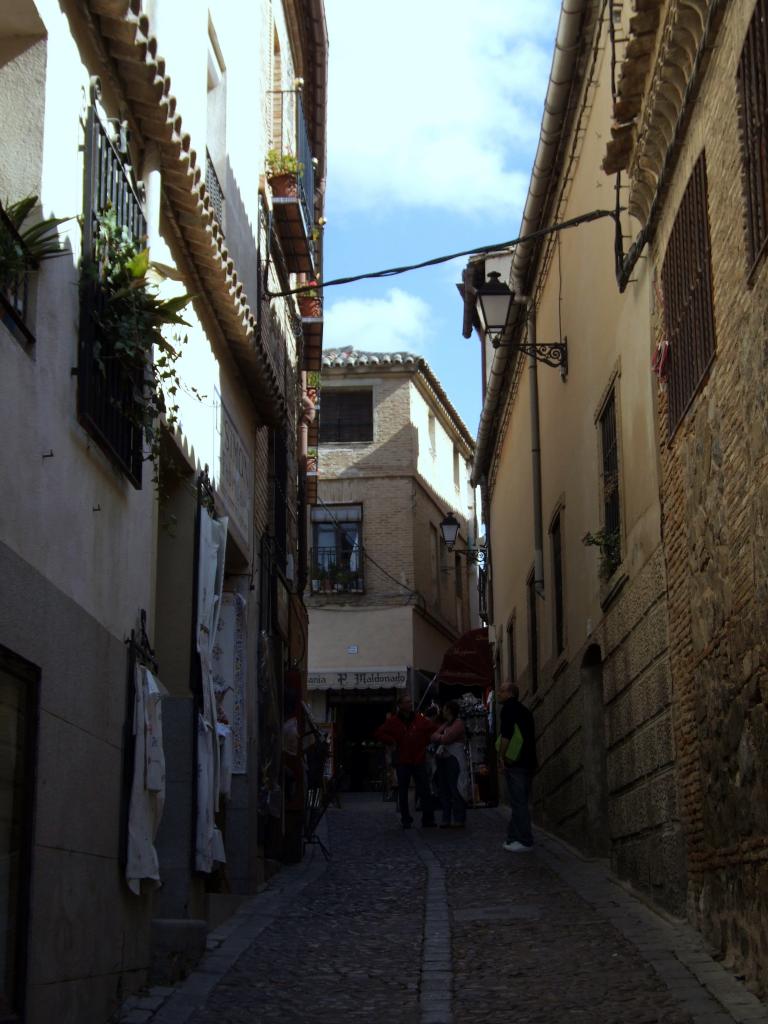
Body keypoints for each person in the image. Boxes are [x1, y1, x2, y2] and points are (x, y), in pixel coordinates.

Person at [374, 694, 436, 829]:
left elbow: (432, 728)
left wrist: (425, 741)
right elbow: (379, 733)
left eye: (410, 702)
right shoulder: (393, 721)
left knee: (424, 789)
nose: (410, 704)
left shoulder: (419, 719)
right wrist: (391, 741)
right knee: (403, 791)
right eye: (407, 702)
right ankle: (406, 819)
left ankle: (428, 818)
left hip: (418, 759)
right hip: (403, 760)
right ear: (400, 705)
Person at [497, 682, 537, 852]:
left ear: (510, 693)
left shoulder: (507, 709)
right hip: (529, 761)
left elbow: (506, 735)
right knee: (519, 801)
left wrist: (501, 757)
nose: (498, 693)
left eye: (502, 691)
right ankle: (513, 837)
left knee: (519, 802)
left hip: (516, 761)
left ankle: (525, 840)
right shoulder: (525, 711)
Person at [430, 700, 469, 828]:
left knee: (455, 788)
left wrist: (439, 737)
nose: (442, 711)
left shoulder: (458, 724)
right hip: (443, 759)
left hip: (454, 759)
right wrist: (440, 737)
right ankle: (446, 818)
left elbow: (447, 738)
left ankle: (459, 818)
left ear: (449, 710)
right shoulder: (446, 724)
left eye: (444, 708)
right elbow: (433, 736)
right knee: (444, 789)